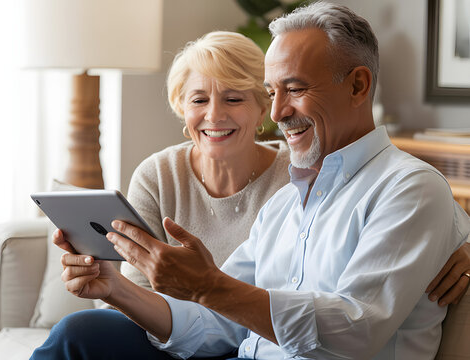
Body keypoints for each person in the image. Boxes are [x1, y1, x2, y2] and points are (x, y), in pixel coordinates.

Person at [29, 2, 470, 359]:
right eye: (272, 91)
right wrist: (116, 289)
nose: (277, 113)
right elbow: (216, 322)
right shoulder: (287, 205)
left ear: (357, 86)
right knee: (79, 336)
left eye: (294, 89)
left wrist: (209, 285)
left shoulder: (408, 188)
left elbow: (355, 331)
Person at [121, 31, 291, 290]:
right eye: (199, 100)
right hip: (159, 327)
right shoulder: (156, 177)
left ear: (262, 110)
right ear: (182, 108)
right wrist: (104, 282)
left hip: (257, 330)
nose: (214, 116)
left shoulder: (296, 177)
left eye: (233, 99)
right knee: (77, 327)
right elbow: (136, 291)